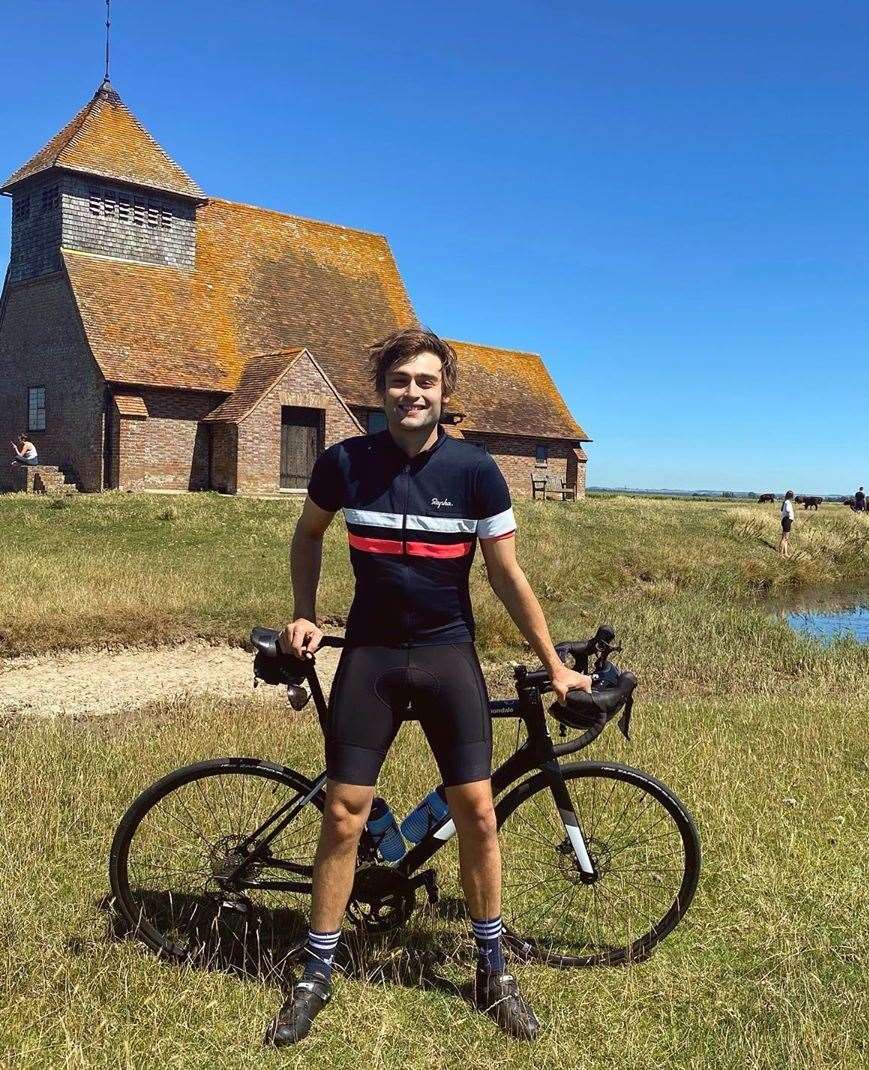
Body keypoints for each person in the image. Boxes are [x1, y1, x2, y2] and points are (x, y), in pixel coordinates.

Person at [266, 327, 591, 1046]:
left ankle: (491, 969)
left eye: (426, 382)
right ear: (381, 391)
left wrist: (556, 663)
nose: (413, 393)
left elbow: (507, 575)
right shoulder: (344, 463)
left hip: (448, 655)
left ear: (445, 394)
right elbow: (308, 534)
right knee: (345, 813)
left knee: (476, 812)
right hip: (373, 658)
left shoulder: (475, 472)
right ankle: (316, 970)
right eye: (400, 382)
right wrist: (302, 612)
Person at [779, 490, 795, 557]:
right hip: (787, 520)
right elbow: (788, 510)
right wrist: (790, 515)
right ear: (791, 496)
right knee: (785, 538)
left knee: (785, 538)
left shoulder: (785, 502)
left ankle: (785, 553)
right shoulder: (788, 502)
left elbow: (782, 510)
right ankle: (781, 554)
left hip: (785, 520)